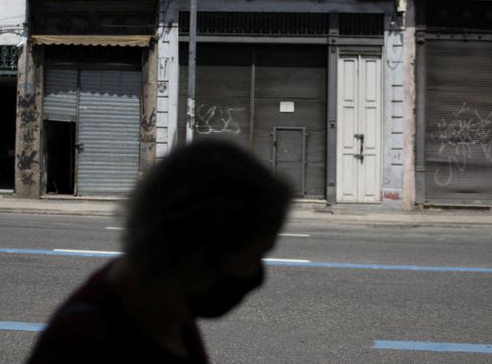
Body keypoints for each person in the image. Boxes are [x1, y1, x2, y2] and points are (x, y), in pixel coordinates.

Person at [27, 138, 293, 363]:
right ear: (196, 248)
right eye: (252, 256)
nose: (257, 276)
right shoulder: (82, 344)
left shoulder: (169, 308)